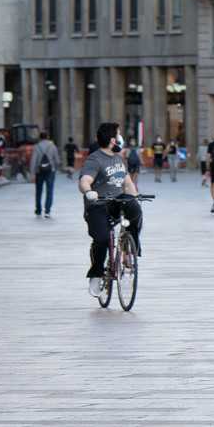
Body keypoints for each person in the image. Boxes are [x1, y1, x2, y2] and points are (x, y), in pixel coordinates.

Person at [78, 122, 141, 297]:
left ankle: (129, 251)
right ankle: (96, 274)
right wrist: (89, 192)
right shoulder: (95, 159)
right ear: (113, 139)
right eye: (119, 135)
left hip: (116, 201)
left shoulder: (119, 158)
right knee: (102, 239)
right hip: (98, 204)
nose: (121, 138)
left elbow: (128, 184)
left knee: (134, 208)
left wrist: (135, 199)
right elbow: (84, 180)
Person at [29, 131, 61, 219]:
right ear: (47, 137)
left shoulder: (36, 147)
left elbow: (33, 160)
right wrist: (55, 168)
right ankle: (47, 211)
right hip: (50, 171)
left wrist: (32, 174)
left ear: (40, 137)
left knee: (38, 192)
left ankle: (38, 211)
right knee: (49, 191)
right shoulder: (52, 146)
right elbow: (57, 160)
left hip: (39, 172)